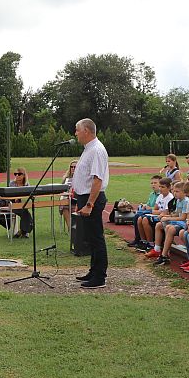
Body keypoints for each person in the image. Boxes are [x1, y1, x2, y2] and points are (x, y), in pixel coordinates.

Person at [72, 118, 109, 289]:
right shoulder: (88, 149)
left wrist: (89, 204)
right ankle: (93, 271)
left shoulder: (96, 150)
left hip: (91, 198)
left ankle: (99, 277)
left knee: (96, 237)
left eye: (77, 130)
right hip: (84, 197)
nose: (75, 133)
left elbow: (97, 180)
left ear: (86, 130)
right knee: (90, 238)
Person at [152, 181, 189, 265]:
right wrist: (169, 216)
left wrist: (168, 217)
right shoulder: (185, 201)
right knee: (162, 225)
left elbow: (184, 217)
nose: (174, 193)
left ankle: (165, 254)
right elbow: (183, 215)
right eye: (174, 191)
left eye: (177, 191)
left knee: (172, 229)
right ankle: (161, 251)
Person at [9, 167, 34, 239]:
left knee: (24, 211)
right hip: (13, 205)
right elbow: (10, 195)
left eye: (19, 174)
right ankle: (24, 231)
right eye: (15, 174)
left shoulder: (26, 184)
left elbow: (28, 196)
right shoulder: (12, 183)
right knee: (25, 212)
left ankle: (22, 231)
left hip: (23, 205)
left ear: (23, 175)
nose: (17, 176)